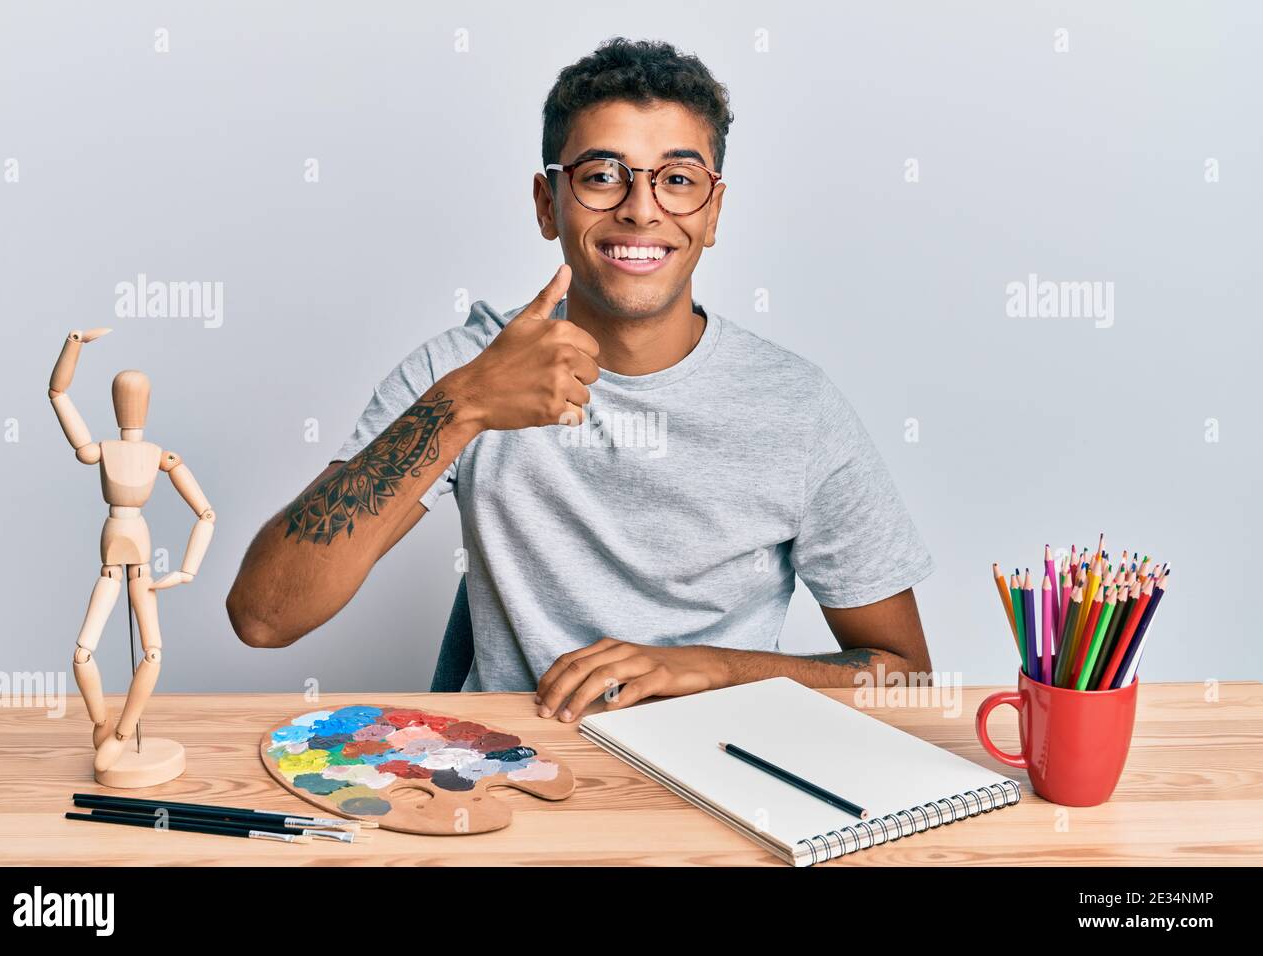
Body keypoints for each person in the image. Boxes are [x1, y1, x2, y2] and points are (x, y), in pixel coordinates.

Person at [227, 37, 936, 721]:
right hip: (512, 778)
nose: (640, 206)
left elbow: (904, 680)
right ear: (547, 204)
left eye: (679, 180)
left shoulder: (797, 407)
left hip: (723, 782)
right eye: (602, 175)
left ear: (713, 212)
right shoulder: (471, 365)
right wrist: (465, 404)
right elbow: (265, 616)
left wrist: (713, 668)